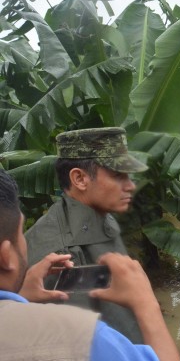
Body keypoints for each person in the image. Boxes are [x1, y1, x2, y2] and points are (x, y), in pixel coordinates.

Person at [0, 169, 180, 361]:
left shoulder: (108, 227)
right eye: (118, 176)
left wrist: (21, 298)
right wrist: (147, 305)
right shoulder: (86, 338)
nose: (130, 185)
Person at [25, 127, 148, 343]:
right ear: (80, 179)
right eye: (118, 176)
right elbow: (82, 345)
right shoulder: (62, 255)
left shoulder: (102, 216)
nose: (130, 186)